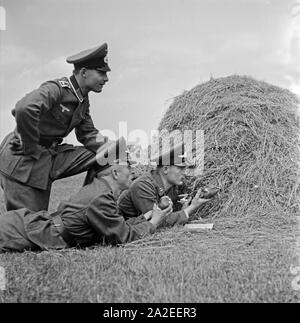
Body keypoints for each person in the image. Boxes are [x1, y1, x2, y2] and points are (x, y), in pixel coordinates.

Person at [0, 140, 172, 252]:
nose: (132, 170)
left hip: (33, 226)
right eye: (127, 165)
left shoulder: (102, 191)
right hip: (25, 232)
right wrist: (153, 222)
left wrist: (145, 217)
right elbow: (124, 237)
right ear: (115, 173)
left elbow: (114, 224)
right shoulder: (101, 197)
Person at [0, 43, 112, 212]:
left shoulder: (82, 98)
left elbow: (87, 133)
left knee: (103, 156)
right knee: (28, 227)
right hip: (23, 161)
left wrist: (112, 147)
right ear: (84, 72)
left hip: (48, 156)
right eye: (101, 72)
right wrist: (30, 146)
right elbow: (24, 108)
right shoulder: (57, 89)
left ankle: (83, 212)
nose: (106, 79)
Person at [118, 144, 210, 226]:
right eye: (181, 168)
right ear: (165, 169)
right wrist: (191, 208)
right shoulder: (143, 186)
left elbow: (170, 213)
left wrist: (184, 206)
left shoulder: (173, 185)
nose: (184, 173)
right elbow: (156, 221)